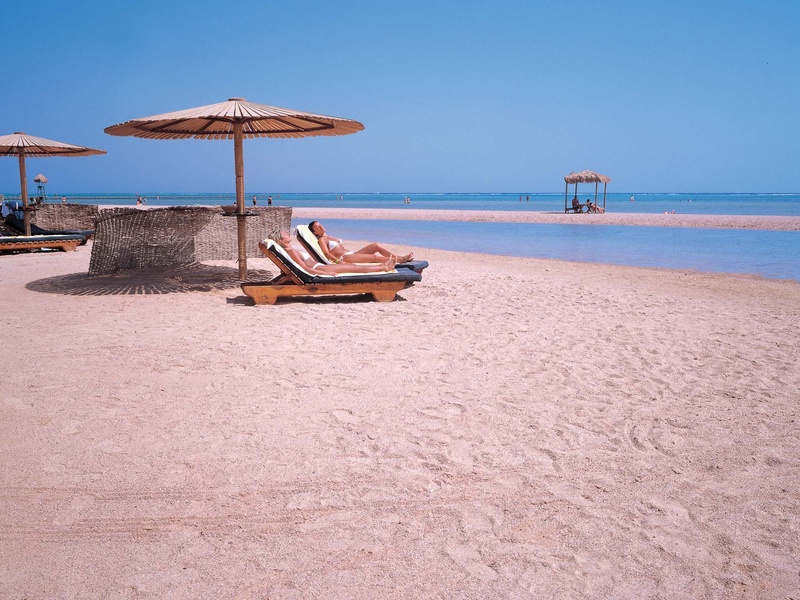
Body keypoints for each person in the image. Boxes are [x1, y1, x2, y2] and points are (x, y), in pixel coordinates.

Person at [264, 230, 395, 275]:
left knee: (352, 267)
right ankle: (384, 267)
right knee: (353, 268)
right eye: (284, 234)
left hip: (320, 266)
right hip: (319, 268)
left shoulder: (290, 250)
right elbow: (304, 268)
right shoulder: (290, 251)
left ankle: (383, 266)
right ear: (281, 240)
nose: (286, 233)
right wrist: (325, 273)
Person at [308, 220, 413, 264]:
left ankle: (397, 257)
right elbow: (326, 253)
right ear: (315, 232)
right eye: (317, 227)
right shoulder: (322, 239)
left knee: (376, 245)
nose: (321, 227)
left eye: (320, 225)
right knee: (373, 257)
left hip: (352, 254)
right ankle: (400, 260)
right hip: (345, 258)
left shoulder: (329, 236)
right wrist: (339, 262)